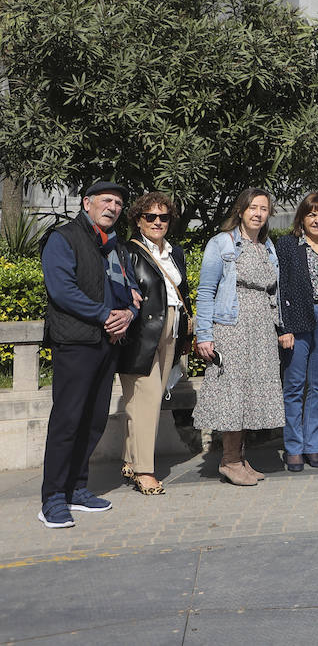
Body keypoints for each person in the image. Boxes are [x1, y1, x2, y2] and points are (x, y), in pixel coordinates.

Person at [38, 182, 140, 528]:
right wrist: (106, 315)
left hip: (108, 344)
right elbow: (62, 290)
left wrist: (128, 313)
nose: (112, 207)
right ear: (87, 203)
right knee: (67, 420)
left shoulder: (118, 247)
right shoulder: (63, 239)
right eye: (106, 200)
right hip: (75, 342)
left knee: (94, 419)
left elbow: (133, 291)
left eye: (118, 203)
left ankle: (76, 488)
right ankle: (52, 498)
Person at [193, 189, 287, 487]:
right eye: (253, 208)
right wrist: (204, 335)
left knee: (250, 393)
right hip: (232, 327)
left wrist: (278, 327)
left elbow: (272, 291)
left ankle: (240, 456)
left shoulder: (267, 246)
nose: (258, 213)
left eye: (263, 208)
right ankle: (229, 460)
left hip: (260, 329)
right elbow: (206, 291)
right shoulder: (222, 243)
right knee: (233, 393)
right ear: (241, 210)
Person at [118, 191, 192, 496]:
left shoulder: (174, 252)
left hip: (171, 330)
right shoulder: (128, 252)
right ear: (138, 220)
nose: (158, 222)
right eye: (150, 217)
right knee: (145, 402)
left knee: (149, 400)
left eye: (163, 217)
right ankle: (144, 471)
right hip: (141, 335)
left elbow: (181, 290)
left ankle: (128, 459)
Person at [274, 193, 318, 472]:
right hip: (297, 319)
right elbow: (279, 289)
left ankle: (312, 446)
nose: (317, 220)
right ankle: (293, 447)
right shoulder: (288, 246)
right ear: (302, 218)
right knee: (293, 386)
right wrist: (284, 327)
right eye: (312, 214)